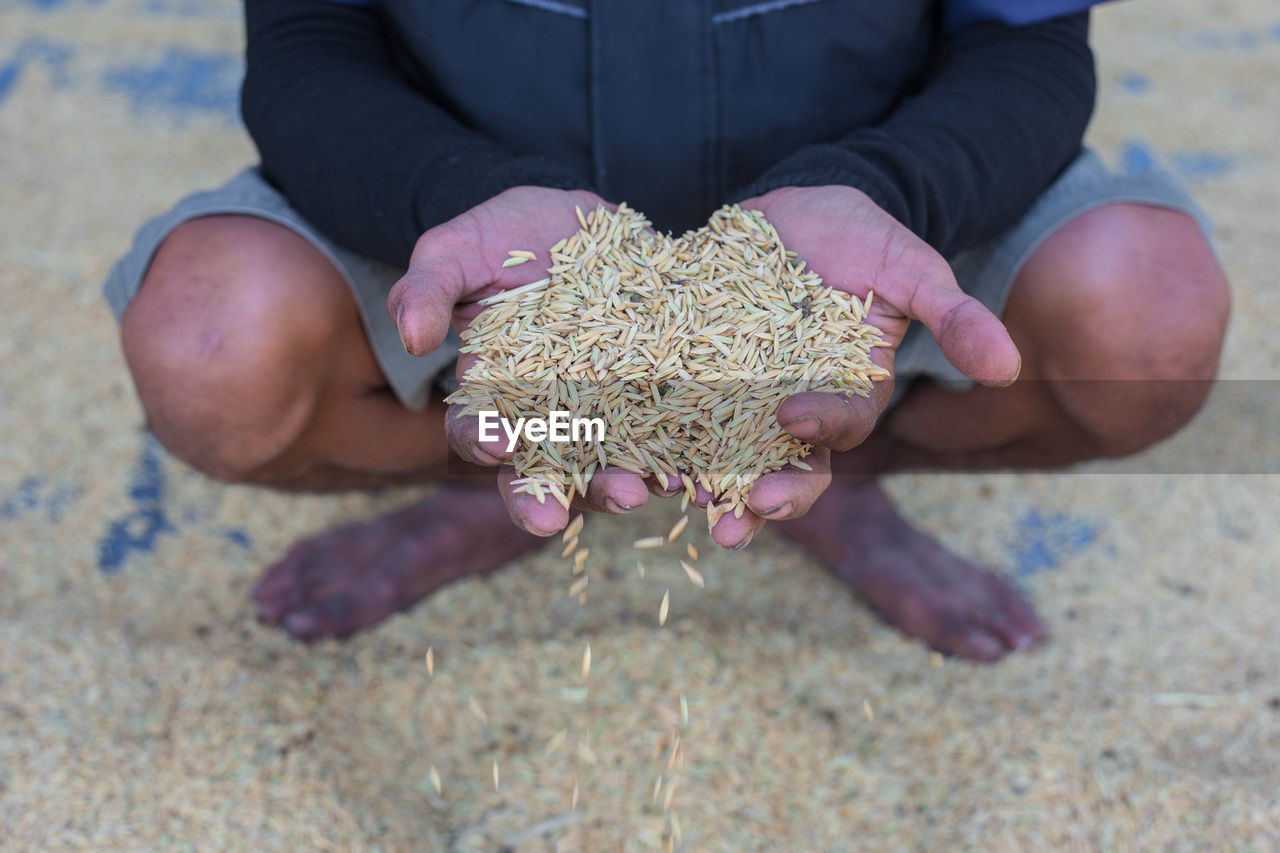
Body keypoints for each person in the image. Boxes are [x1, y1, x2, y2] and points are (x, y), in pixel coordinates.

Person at [103, 0, 1229, 660]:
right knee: (213, 352)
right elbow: (309, 48)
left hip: (871, 201)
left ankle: (836, 467)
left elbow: (1023, 44)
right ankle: (502, 474)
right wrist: (459, 197)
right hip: (460, 202)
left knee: (1149, 329)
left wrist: (881, 190)